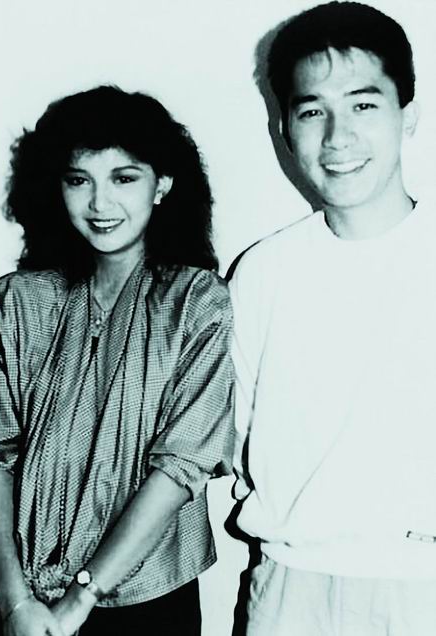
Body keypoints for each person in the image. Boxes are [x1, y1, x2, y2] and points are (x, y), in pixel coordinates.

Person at [0, 85, 234, 636]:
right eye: (80, 180)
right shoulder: (13, 304)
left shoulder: (197, 303)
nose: (99, 204)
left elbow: (181, 465)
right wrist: (13, 602)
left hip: (149, 601)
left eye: (123, 178)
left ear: (162, 184)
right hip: (19, 601)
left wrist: (82, 598)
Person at [229, 2, 436, 634]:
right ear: (284, 128)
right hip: (289, 587)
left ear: (408, 114)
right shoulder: (262, 272)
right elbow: (236, 437)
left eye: (363, 105)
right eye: (312, 110)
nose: (337, 137)